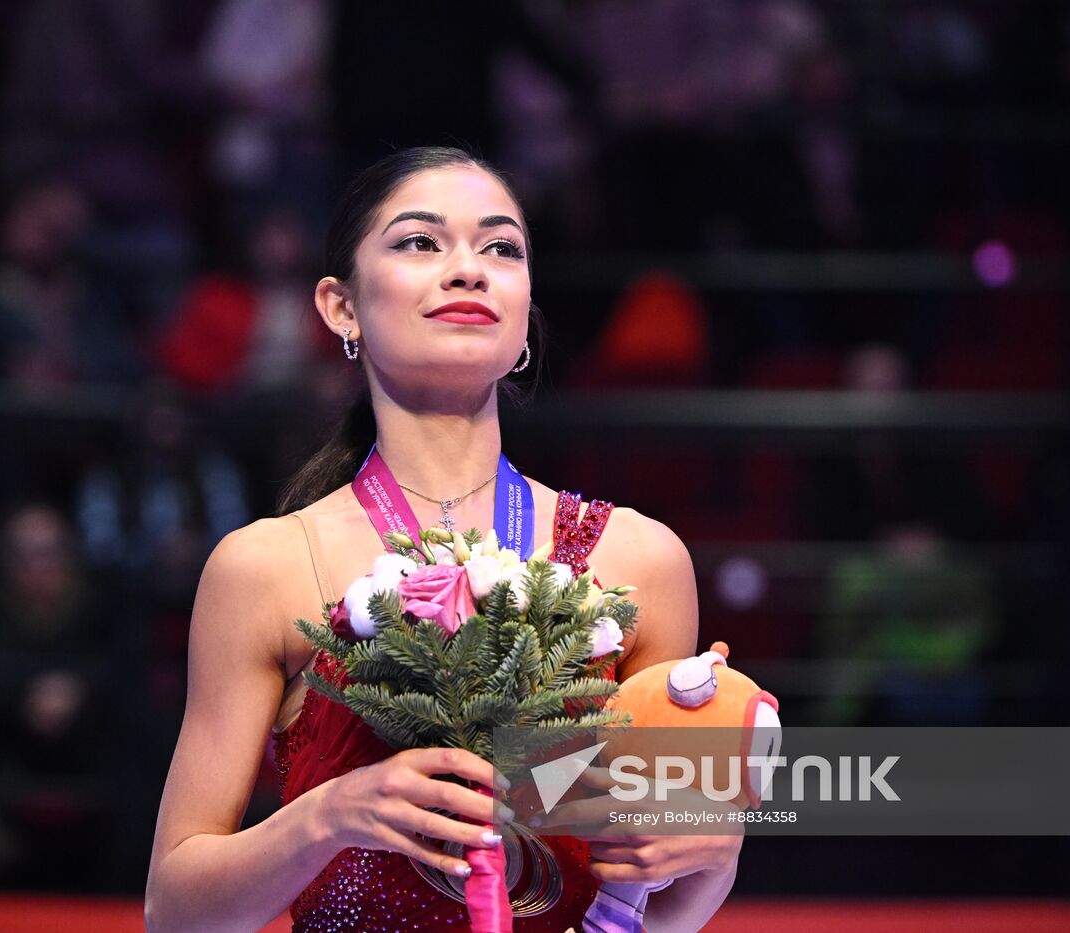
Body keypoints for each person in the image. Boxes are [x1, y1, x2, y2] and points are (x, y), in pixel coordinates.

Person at [145, 147, 740, 932]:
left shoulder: (640, 561)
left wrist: (712, 852)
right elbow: (175, 912)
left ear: (527, 312)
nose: (469, 269)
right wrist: (331, 815)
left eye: (501, 247)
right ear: (340, 307)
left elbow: (653, 910)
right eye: (420, 242)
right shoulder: (266, 567)